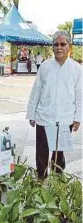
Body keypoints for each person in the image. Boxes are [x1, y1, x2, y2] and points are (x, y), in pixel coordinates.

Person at [26, 30, 82, 180]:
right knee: (42, 153)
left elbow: (80, 96)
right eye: (56, 44)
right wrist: (31, 114)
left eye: (63, 44)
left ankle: (57, 185)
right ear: (52, 47)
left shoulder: (76, 68)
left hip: (65, 119)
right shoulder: (45, 66)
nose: (59, 47)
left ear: (69, 46)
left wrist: (78, 118)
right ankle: (40, 181)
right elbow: (36, 90)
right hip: (45, 116)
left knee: (59, 154)